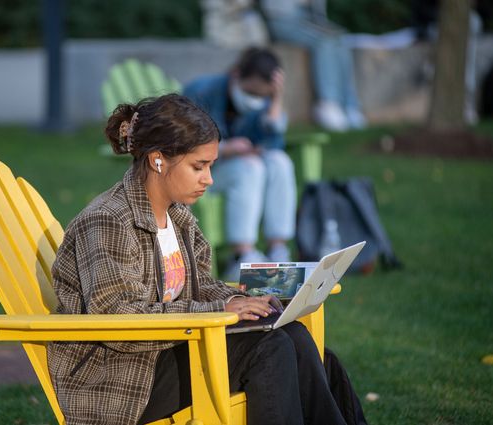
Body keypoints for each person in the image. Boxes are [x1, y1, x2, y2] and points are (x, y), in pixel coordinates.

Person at [47, 94, 354, 425]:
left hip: (169, 350)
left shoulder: (177, 216)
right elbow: (118, 318)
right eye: (199, 166)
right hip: (121, 376)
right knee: (269, 348)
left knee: (291, 333)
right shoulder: (109, 220)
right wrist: (219, 310)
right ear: (158, 160)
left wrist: (242, 300)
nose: (209, 179)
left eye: (211, 166)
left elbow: (200, 284)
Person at [183, 47, 296, 281]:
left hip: (235, 169)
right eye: (251, 92)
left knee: (280, 161)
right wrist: (224, 149)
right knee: (250, 167)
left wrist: (276, 101)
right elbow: (182, 147)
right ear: (236, 75)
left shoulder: (265, 100)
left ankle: (277, 249)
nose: (256, 101)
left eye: (263, 96)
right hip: (201, 174)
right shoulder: (201, 92)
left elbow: (275, 143)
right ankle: (241, 256)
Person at [260, 0, 366, 131]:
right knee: (325, 41)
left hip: (309, 18)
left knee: (340, 38)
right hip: (282, 18)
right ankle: (328, 104)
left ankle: (349, 105)